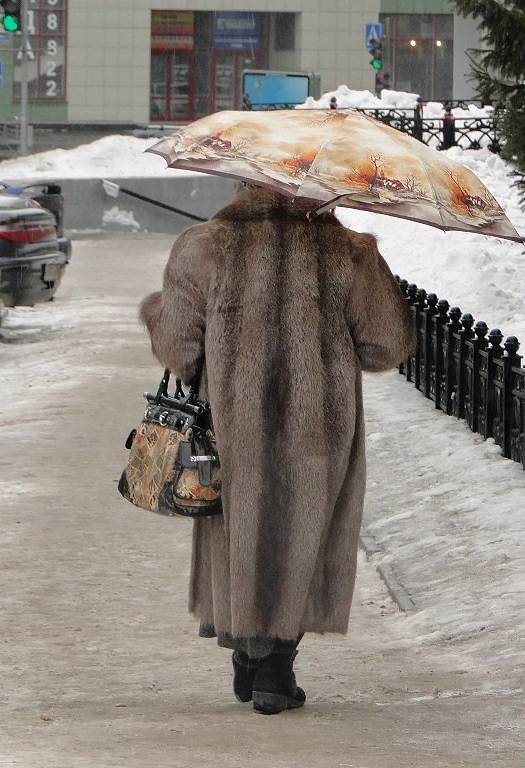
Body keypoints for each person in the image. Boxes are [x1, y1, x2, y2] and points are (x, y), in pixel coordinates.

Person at [139, 187, 416, 715]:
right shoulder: (351, 251)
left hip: (230, 422)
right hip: (320, 426)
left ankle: (248, 654)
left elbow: (178, 346)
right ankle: (274, 667)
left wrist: (157, 314)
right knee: (302, 530)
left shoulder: (204, 245)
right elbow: (386, 344)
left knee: (236, 527)